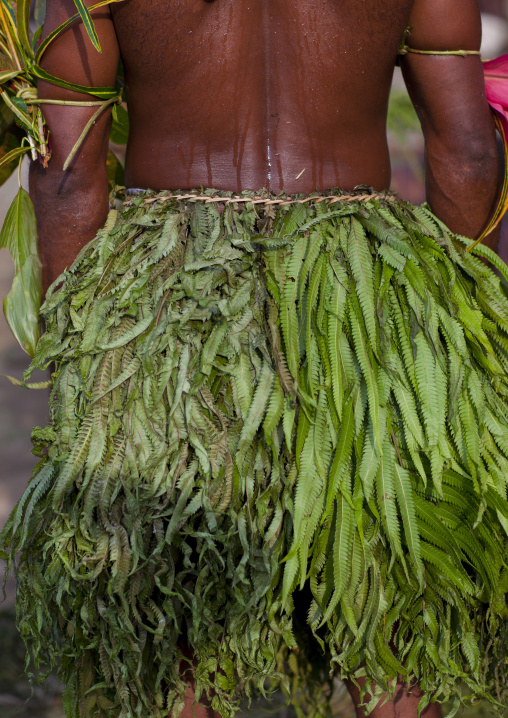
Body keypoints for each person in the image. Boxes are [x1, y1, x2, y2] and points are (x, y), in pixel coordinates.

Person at [15, 0, 506, 717]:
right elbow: (468, 149)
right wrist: (462, 336)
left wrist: (83, 368)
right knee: (397, 614)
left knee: (170, 624)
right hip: (362, 296)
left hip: (170, 297)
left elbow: (66, 178)